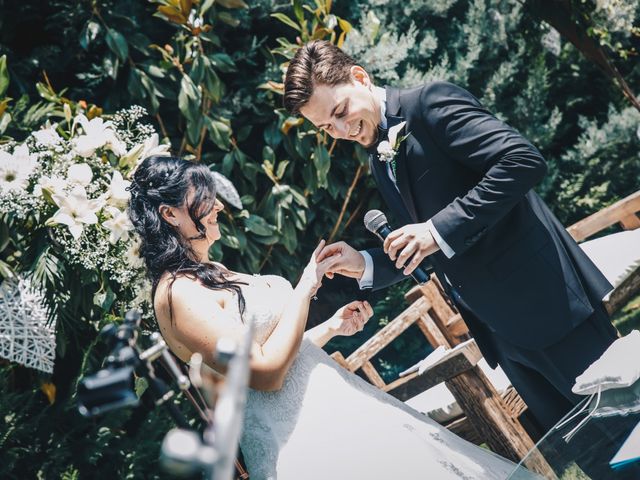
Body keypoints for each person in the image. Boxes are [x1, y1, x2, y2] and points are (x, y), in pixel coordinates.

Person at [283, 40, 619, 439]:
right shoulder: (378, 159)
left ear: (359, 77)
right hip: (501, 335)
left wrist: (436, 230)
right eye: (326, 127)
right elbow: (431, 247)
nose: (341, 131)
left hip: (551, 307)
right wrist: (366, 263)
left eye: (340, 112)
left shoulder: (429, 104)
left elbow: (521, 160)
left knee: (626, 427)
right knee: (587, 454)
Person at [128, 155, 537, 479]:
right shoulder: (178, 294)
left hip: (338, 411)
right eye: (203, 196)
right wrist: (305, 288)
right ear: (170, 214)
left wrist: (331, 328)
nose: (217, 205)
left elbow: (278, 355)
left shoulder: (213, 273)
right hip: (302, 443)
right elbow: (264, 374)